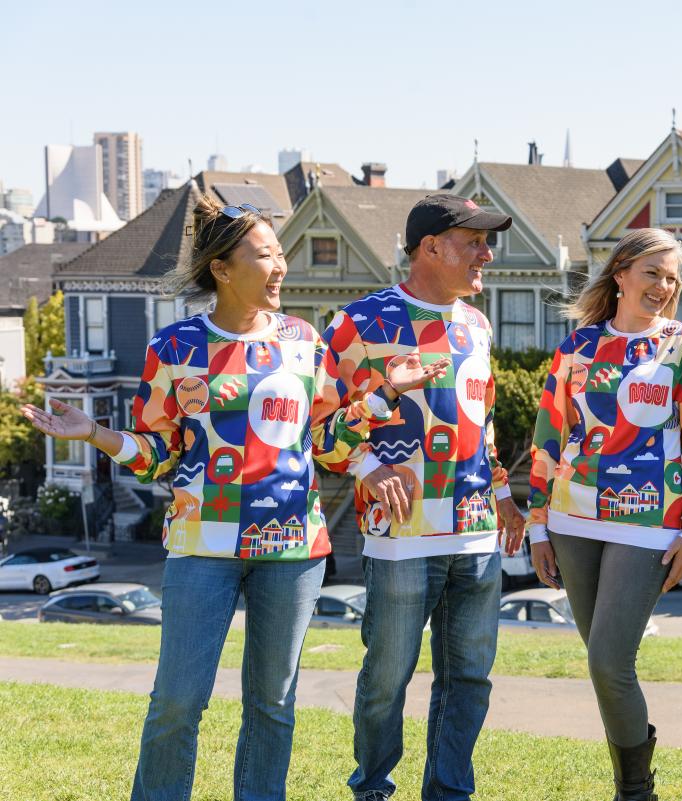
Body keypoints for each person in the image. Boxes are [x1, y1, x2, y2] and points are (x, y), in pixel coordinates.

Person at [21, 196, 410, 801]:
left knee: (273, 704)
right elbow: (159, 454)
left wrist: (383, 397)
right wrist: (94, 432)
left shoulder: (305, 342)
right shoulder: (173, 348)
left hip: (292, 549)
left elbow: (327, 445)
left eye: (279, 253)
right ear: (222, 269)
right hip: (202, 545)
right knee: (178, 701)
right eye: (265, 255)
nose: (280, 266)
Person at [313, 193, 526, 801]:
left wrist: (503, 493)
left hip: (477, 534)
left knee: (470, 680)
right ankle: (373, 788)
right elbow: (319, 432)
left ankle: (449, 793)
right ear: (430, 247)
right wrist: (366, 465)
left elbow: (480, 422)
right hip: (400, 539)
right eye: (474, 242)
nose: (487, 254)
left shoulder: (477, 325)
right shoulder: (359, 323)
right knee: (387, 679)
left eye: (487, 242)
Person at [527, 227, 682, 801]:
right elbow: (548, 436)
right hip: (572, 521)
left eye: (672, 278)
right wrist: (538, 526)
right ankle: (631, 782)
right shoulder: (577, 347)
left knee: (611, 662)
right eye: (652, 273)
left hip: (651, 523)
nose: (664, 286)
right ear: (620, 276)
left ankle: (636, 792)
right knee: (600, 665)